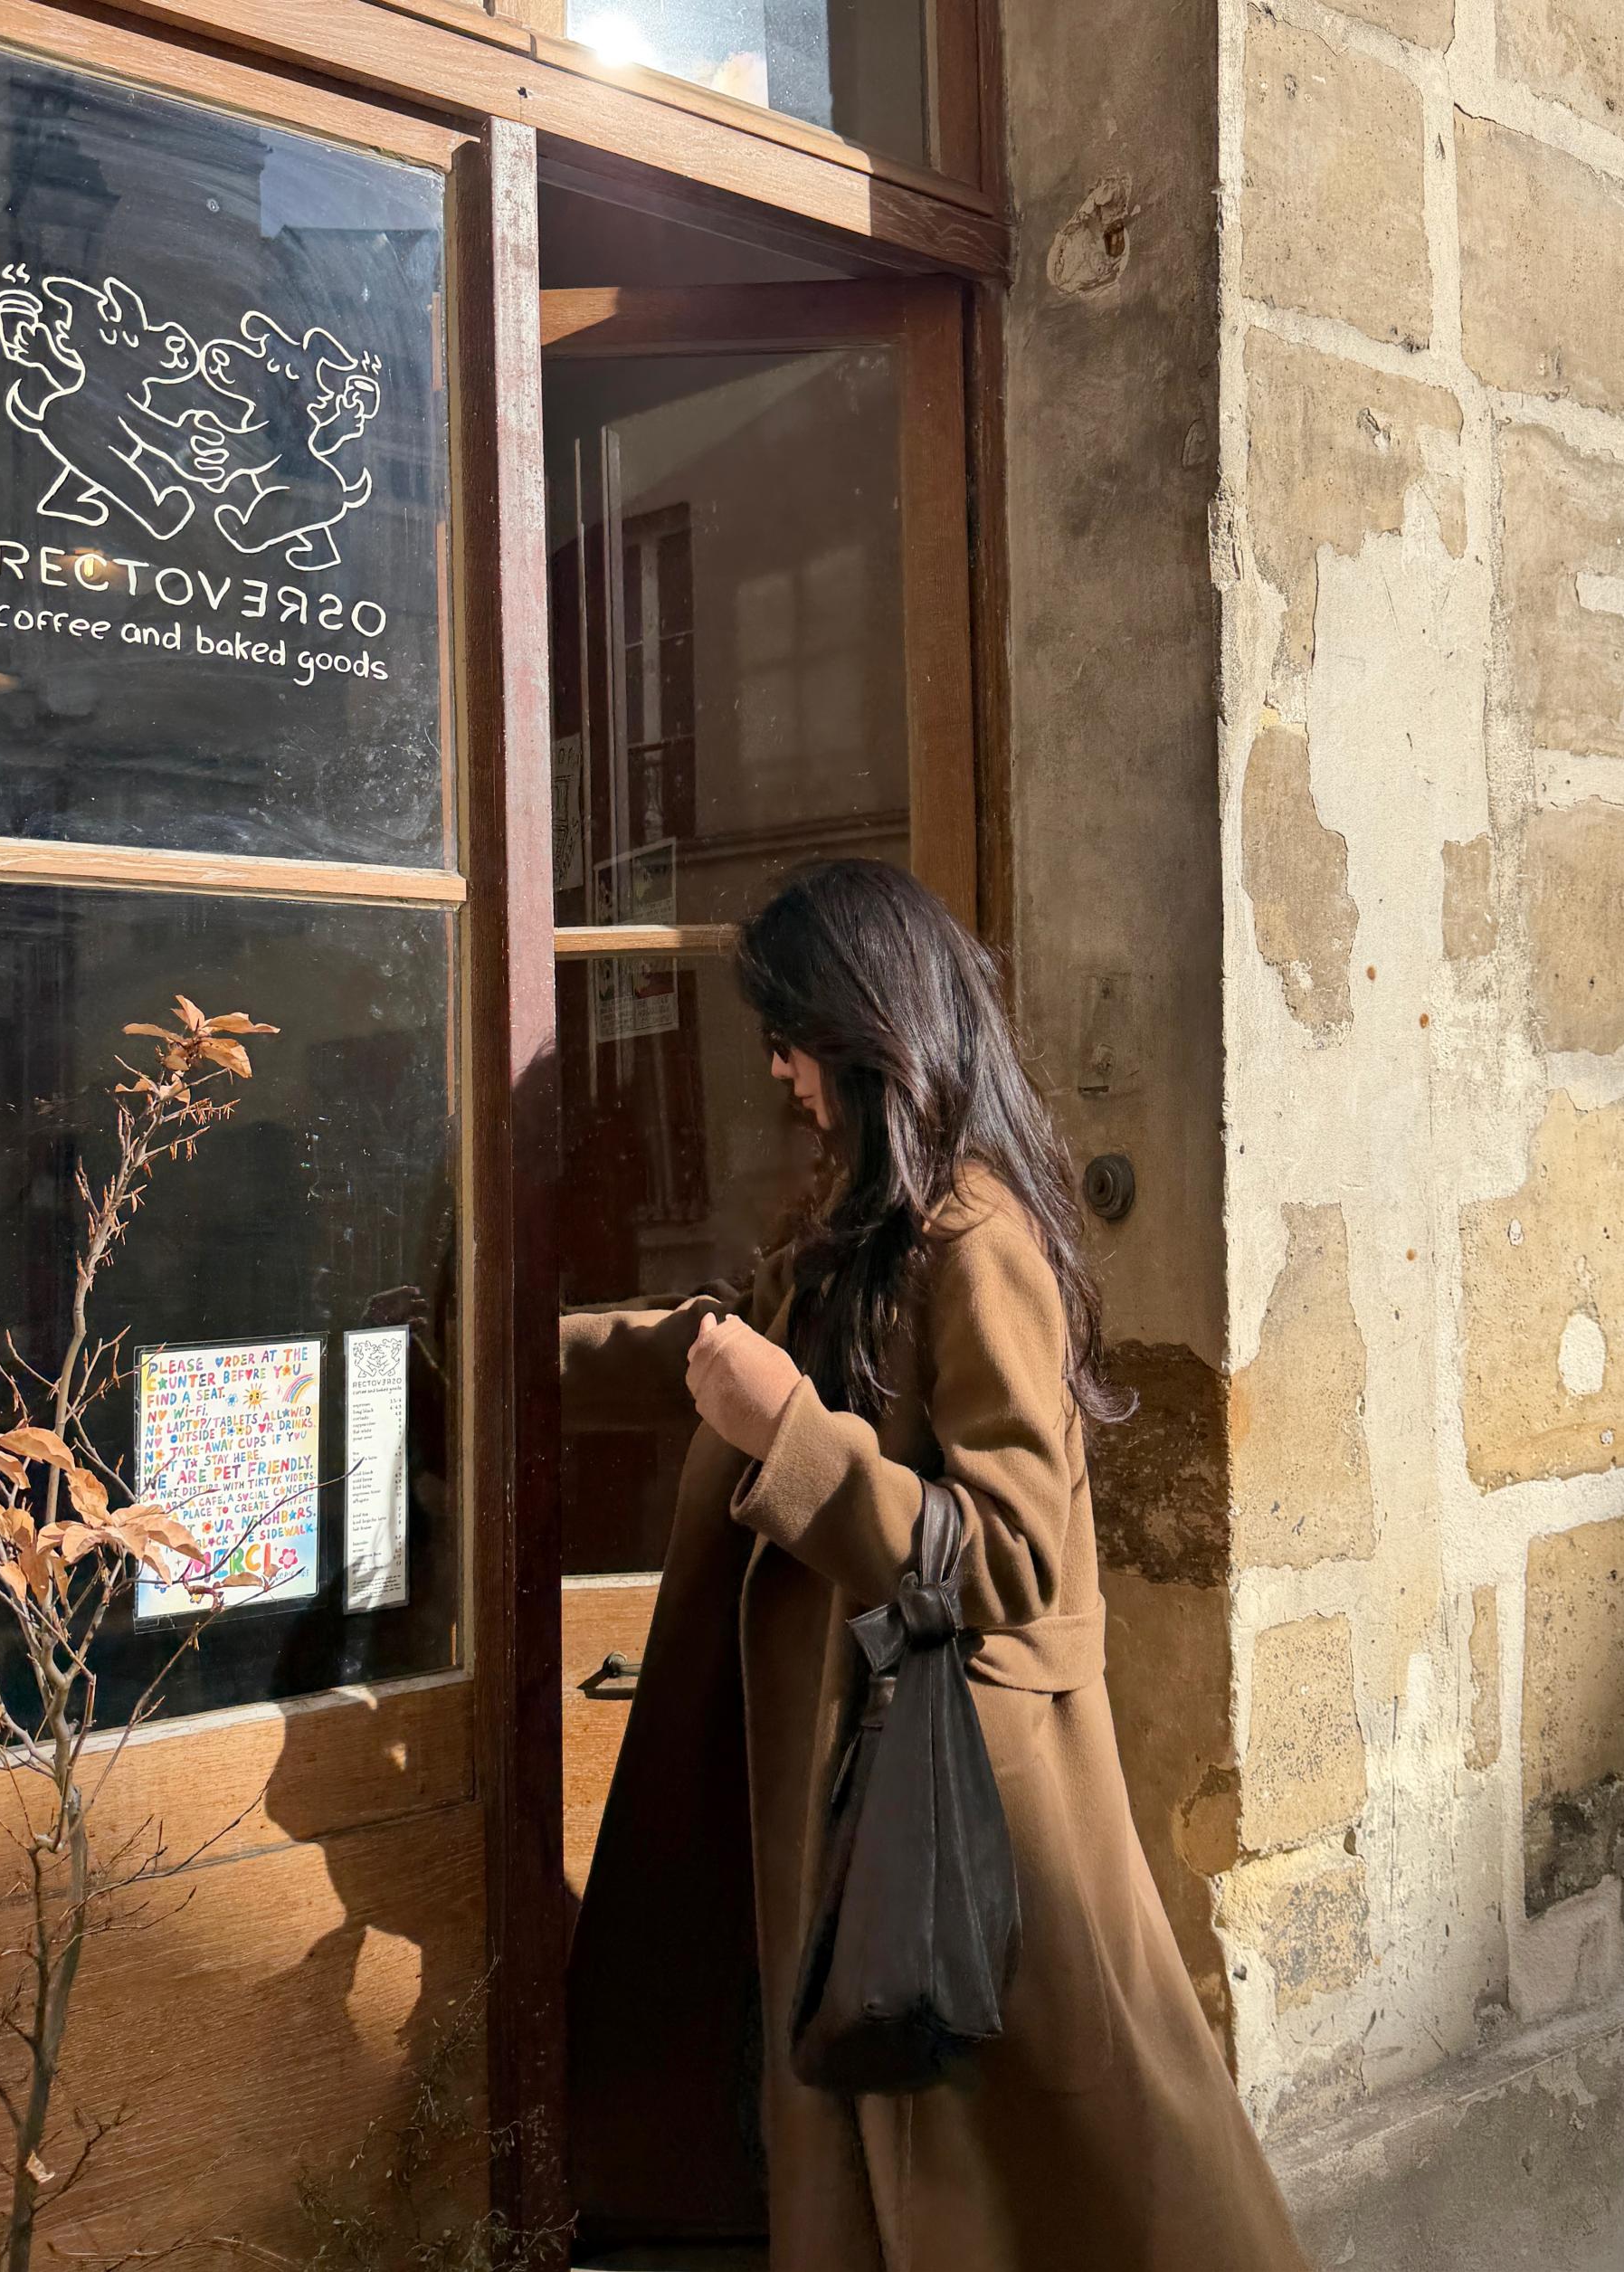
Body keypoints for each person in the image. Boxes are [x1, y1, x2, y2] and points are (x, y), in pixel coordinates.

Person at [564, 860, 1313, 2272]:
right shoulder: (863, 1220)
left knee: (1056, 2199)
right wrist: (495, 1360)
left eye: (790, 1033)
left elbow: (1017, 1552)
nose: (776, 1068)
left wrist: (792, 1440)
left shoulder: (974, 1236)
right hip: (866, 1791)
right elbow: (723, 1352)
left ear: (868, 1028)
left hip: (961, 1813)